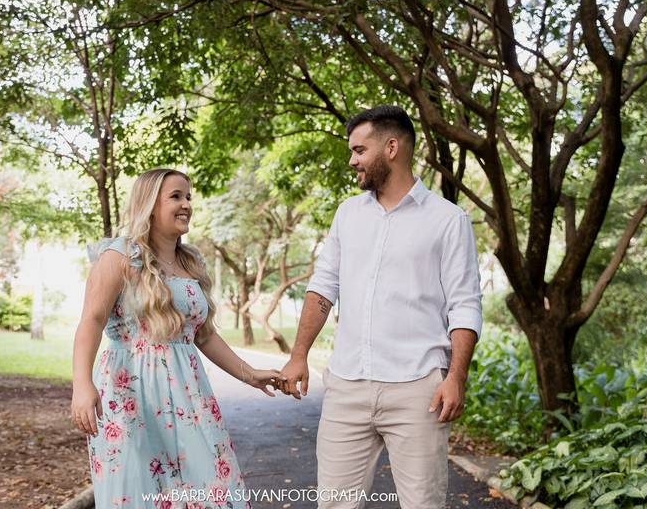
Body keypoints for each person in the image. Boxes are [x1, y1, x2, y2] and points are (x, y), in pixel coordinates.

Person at [279, 105, 483, 509]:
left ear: (391, 148)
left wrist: (456, 377)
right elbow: (323, 287)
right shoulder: (348, 215)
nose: (352, 161)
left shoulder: (448, 220)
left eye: (359, 150)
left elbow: (464, 304)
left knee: (423, 504)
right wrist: (298, 355)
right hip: (347, 387)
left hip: (418, 389)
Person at [71, 168, 281, 508]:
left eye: (188, 197)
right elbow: (91, 321)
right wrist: (82, 384)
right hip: (131, 393)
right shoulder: (119, 256)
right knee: (139, 493)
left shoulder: (190, 262)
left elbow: (204, 335)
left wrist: (250, 374)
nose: (186, 205)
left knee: (211, 489)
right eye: (176, 197)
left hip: (189, 395)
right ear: (150, 205)